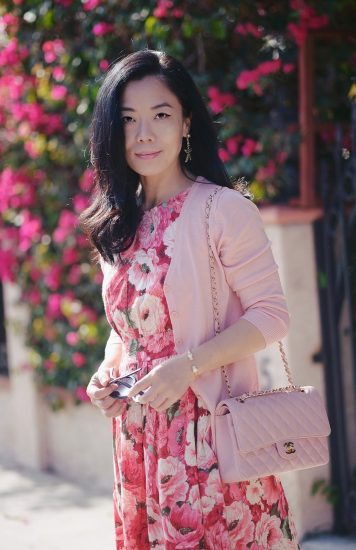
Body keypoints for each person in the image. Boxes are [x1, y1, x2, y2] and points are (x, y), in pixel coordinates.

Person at [83, 49, 299, 549]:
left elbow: (272, 315)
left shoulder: (221, 210)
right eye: (128, 120)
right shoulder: (119, 224)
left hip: (210, 446)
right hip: (138, 447)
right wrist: (107, 372)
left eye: (160, 115)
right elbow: (130, 334)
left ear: (185, 124)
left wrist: (190, 366)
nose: (143, 134)